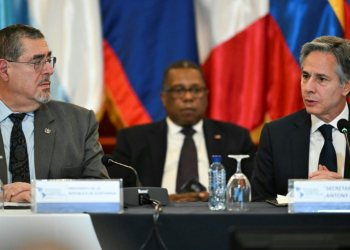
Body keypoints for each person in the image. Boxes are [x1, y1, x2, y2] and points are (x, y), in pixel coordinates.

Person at [109, 60, 255, 202]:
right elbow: (118, 194)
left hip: (218, 218)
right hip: (158, 218)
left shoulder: (235, 136)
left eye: (196, 90)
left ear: (206, 95)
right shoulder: (133, 139)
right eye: (179, 90)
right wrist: (161, 200)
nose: (188, 97)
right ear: (164, 98)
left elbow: (255, 192)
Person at [0, 24, 109, 202]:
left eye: (48, 60)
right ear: (4, 69)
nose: (49, 70)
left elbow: (101, 191)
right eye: (37, 62)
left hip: (58, 229)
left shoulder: (79, 122)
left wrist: (43, 192)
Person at [251, 36, 350, 201]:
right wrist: (302, 196)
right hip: (293, 227)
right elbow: (259, 202)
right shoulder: (275, 134)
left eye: (321, 79)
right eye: (305, 76)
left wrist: (341, 192)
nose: (309, 88)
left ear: (346, 86)